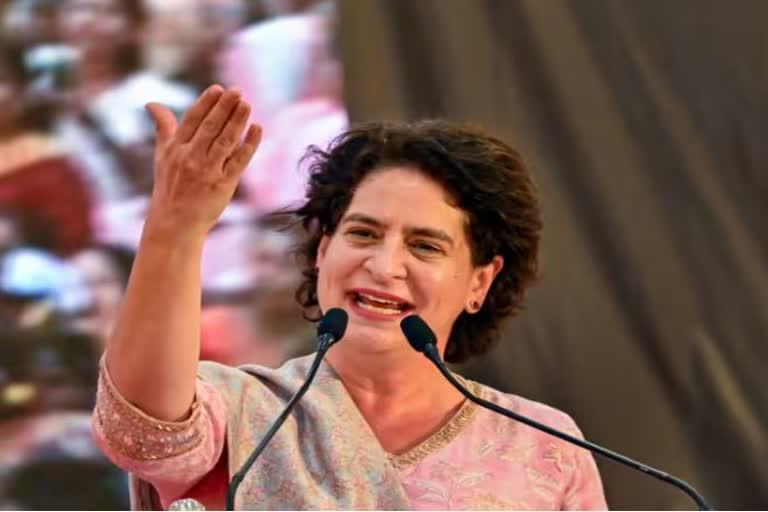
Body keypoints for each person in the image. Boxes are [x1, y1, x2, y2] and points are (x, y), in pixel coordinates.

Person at [91, 85, 608, 510]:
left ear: (480, 282)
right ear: (322, 252)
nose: (383, 266)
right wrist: (175, 227)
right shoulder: (240, 412)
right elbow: (142, 433)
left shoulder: (543, 446)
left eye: (424, 245)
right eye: (362, 234)